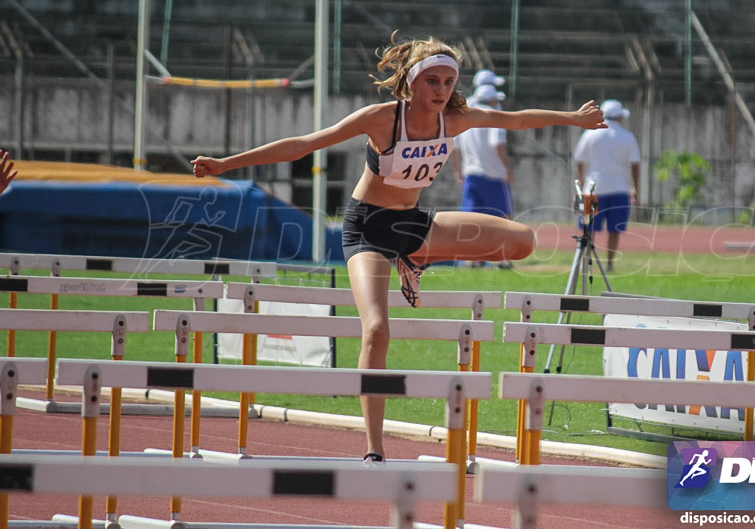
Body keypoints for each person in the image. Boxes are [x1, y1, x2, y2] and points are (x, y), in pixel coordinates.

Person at [191, 34, 605, 463]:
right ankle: (374, 449)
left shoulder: (457, 119)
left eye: (448, 82)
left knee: (523, 242)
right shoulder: (381, 119)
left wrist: (572, 118)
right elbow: (305, 144)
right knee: (376, 330)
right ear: (410, 83)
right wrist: (225, 165)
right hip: (367, 230)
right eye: (432, 82)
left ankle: (417, 257)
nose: (442, 91)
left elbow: (516, 120)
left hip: (413, 226)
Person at [572, 99, 641, 272]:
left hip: (591, 188)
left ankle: (586, 264)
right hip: (619, 188)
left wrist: (579, 185)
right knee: (614, 230)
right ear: (619, 117)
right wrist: (636, 189)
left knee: (588, 229)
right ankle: (610, 264)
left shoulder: (589, 134)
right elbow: (635, 164)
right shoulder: (628, 136)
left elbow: (579, 160)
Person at [451, 83, 515, 268]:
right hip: (494, 175)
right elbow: (498, 144)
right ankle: (504, 258)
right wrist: (508, 169)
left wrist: (458, 169)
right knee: (503, 218)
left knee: (472, 219)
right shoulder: (494, 116)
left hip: (471, 174)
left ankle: (474, 259)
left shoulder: (466, 116)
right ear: (493, 99)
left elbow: (454, 146)